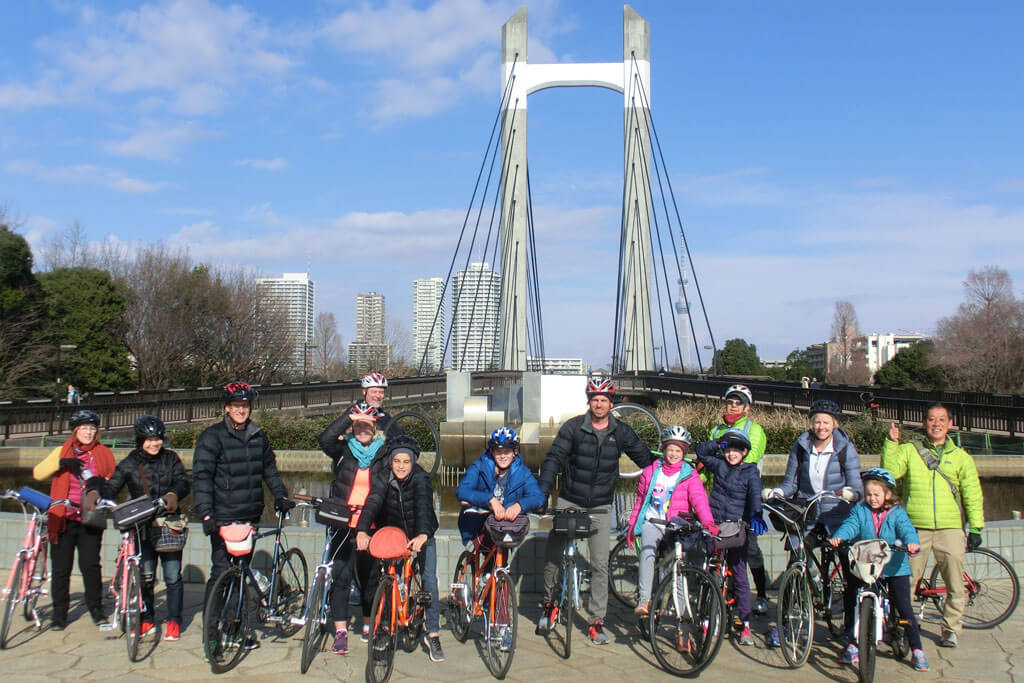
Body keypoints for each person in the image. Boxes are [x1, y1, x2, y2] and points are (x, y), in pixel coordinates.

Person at [536, 378, 654, 644]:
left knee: (600, 564)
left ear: (611, 404)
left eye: (603, 400)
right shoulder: (574, 428)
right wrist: (542, 492)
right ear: (588, 402)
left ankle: (596, 620)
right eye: (594, 399)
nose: (599, 404)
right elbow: (554, 458)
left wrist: (675, 473)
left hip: (600, 505)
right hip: (570, 499)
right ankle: (549, 604)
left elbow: (645, 459)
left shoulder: (621, 432)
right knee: (554, 554)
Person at [193, 381, 294, 652]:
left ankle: (235, 627)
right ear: (226, 408)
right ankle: (211, 634)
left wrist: (281, 495)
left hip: (249, 515)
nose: (241, 410)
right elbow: (202, 477)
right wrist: (205, 514)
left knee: (241, 575)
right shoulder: (212, 437)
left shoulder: (258, 436)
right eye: (236, 405)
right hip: (222, 517)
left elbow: (269, 470)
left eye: (245, 405)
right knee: (220, 575)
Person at [882, 404, 984, 648]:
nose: (936, 424)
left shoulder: (961, 457)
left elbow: (972, 493)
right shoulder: (909, 450)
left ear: (950, 424)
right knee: (905, 581)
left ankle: (951, 629)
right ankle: (901, 626)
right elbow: (890, 472)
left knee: (954, 584)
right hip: (915, 527)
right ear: (924, 423)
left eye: (941, 420)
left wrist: (976, 527)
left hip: (950, 528)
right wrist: (891, 444)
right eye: (931, 419)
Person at [766, 398, 862, 646]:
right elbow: (791, 483)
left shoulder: (845, 448)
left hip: (836, 513)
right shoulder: (801, 445)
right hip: (807, 512)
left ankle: (852, 627)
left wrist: (851, 494)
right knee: (796, 562)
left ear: (835, 424)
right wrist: (777, 493)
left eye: (826, 422)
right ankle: (785, 624)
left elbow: (856, 483)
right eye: (817, 421)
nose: (821, 426)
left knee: (849, 568)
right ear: (811, 423)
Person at [94, 415, 189, 640]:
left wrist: (173, 494)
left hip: (168, 523)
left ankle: (174, 620)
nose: (154, 443)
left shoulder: (171, 458)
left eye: (157, 438)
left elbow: (183, 481)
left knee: (173, 575)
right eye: (148, 439)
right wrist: (98, 493)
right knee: (145, 575)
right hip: (141, 526)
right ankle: (147, 618)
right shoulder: (130, 462)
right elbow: (113, 484)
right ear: (140, 440)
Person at [829, 468, 929, 671]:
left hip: (895, 567)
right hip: (868, 567)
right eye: (868, 494)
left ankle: (917, 650)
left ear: (888, 495)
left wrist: (912, 542)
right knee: (855, 601)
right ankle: (852, 644)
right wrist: (840, 536)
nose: (872, 499)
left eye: (877, 495)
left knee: (904, 606)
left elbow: (907, 528)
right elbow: (851, 525)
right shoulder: (860, 510)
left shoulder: (897, 513)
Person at [356, 436, 444, 663]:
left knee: (429, 579)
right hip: (394, 531)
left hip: (421, 532)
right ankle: (385, 626)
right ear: (391, 461)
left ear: (413, 462)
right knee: (388, 576)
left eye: (406, 461)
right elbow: (373, 502)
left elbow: (424, 506)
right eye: (397, 461)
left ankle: (432, 633)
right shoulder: (384, 478)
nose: (401, 466)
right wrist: (362, 530)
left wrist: (423, 534)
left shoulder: (421, 478)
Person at [32, 409, 115, 630]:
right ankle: (59, 613)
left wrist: (100, 485)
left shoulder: (103, 453)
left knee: (90, 565)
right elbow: (38, 474)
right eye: (83, 428)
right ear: (75, 431)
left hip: (89, 517)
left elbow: (112, 480)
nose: (88, 432)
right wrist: (62, 463)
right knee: (61, 568)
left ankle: (96, 609)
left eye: (92, 428)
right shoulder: (63, 451)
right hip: (63, 517)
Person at [321, 401, 390, 654]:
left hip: (370, 524)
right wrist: (348, 417)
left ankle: (367, 623)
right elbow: (325, 438)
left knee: (369, 577)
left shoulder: (383, 453)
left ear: (374, 428)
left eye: (367, 425)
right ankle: (340, 631)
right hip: (343, 522)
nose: (362, 429)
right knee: (341, 575)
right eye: (358, 425)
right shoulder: (343, 450)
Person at [626, 426, 716, 617]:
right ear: (664, 449)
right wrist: (633, 527)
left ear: (683, 452)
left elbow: (699, 500)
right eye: (670, 449)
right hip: (653, 521)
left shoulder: (689, 474)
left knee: (678, 566)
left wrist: (708, 522)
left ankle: (682, 616)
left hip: (677, 524)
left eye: (678, 450)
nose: (673, 454)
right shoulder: (651, 472)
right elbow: (641, 502)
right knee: (648, 552)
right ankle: (644, 599)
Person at [694, 429, 766, 645]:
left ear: (745, 452)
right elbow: (701, 452)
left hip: (736, 527)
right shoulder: (719, 464)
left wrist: (756, 514)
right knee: (709, 568)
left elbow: (755, 494)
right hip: (715, 524)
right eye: (729, 449)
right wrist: (718, 443)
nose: (732, 454)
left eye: (737, 450)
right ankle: (706, 615)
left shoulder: (750, 471)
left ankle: (744, 622)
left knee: (739, 572)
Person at [703, 384, 771, 614]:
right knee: (717, 552)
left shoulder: (755, 429)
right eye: (730, 401)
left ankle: (760, 593)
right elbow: (708, 461)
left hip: (744, 502)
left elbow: (748, 459)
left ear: (747, 407)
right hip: (720, 499)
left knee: (750, 549)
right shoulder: (716, 430)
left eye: (739, 402)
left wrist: (723, 455)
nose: (733, 405)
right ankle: (720, 595)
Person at [456, 427, 545, 553]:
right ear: (491, 451)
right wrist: (489, 499)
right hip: (478, 522)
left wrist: (520, 505)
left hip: (506, 526)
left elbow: (538, 497)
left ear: (515, 452)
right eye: (498, 451)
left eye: (507, 451)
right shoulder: (479, 466)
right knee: (486, 557)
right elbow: (462, 491)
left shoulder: (523, 472)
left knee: (501, 560)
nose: (503, 456)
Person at [318, 373, 396, 451]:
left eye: (381, 392)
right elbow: (329, 438)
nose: (378, 396)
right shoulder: (353, 413)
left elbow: (398, 437)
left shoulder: (384, 416)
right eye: (374, 392)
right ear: (364, 392)